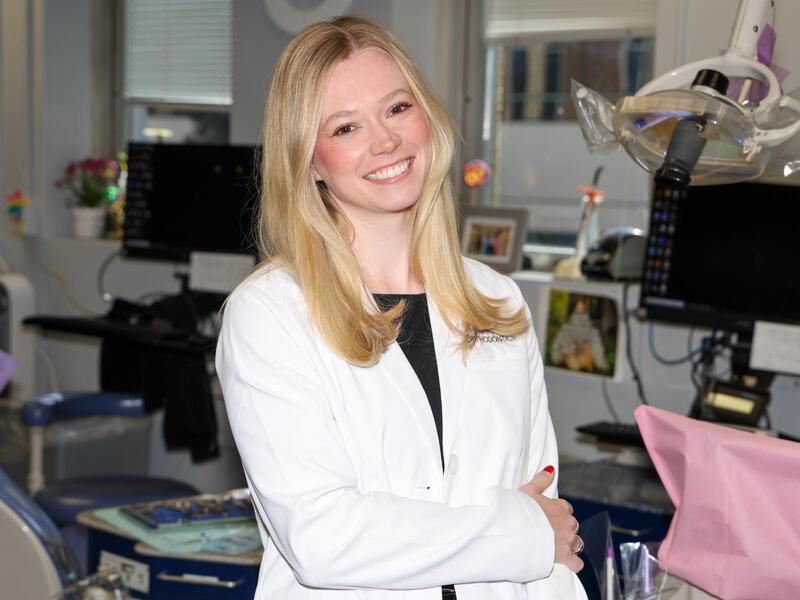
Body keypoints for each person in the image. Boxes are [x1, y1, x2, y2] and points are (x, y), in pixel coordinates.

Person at [216, 16, 587, 600]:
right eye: (345, 127)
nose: (385, 142)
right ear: (309, 162)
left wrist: (533, 536)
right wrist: (519, 531)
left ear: (427, 118)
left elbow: (547, 526)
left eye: (396, 108)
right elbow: (325, 540)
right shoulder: (268, 314)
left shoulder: (496, 299)